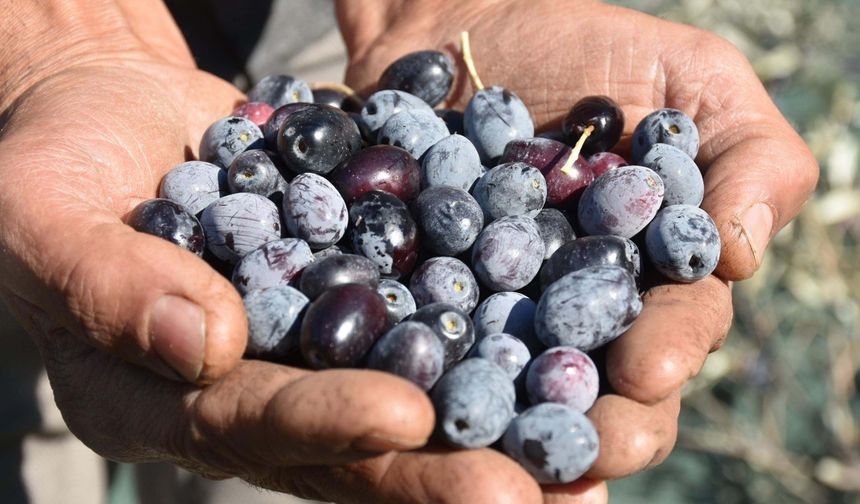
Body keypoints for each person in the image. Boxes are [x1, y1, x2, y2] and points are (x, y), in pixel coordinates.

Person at [0, 0, 818, 503]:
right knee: (44, 377)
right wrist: (52, 47)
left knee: (313, 450)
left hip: (320, 32)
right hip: (90, 90)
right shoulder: (270, 211)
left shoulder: (483, 205)